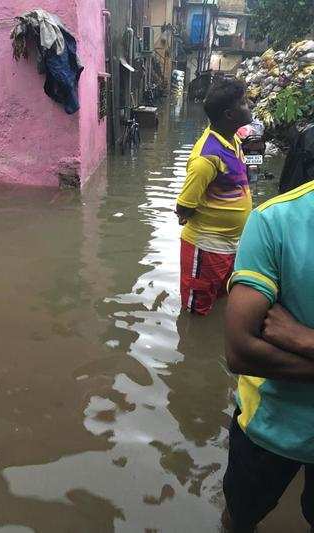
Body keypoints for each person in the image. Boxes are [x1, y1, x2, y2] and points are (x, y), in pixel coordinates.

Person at [224, 178, 314, 532]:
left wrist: (305, 340)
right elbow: (240, 350)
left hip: (271, 422)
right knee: (240, 516)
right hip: (270, 424)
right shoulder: (276, 220)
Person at [175, 78, 252, 316]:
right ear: (229, 115)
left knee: (221, 299)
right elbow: (184, 206)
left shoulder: (233, 139)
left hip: (230, 244)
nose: (249, 104)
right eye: (243, 102)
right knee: (196, 312)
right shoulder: (206, 158)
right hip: (207, 247)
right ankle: (192, 349)